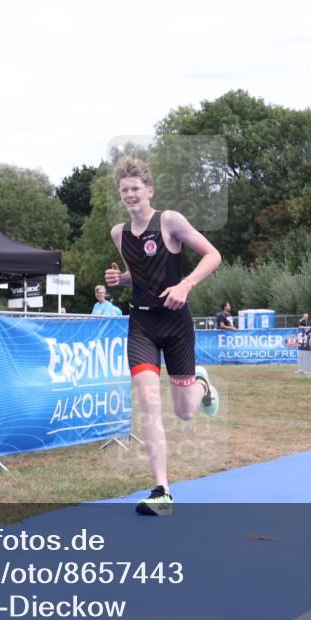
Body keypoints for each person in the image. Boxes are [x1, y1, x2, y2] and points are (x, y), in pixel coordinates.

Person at [104, 156, 222, 516]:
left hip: (175, 325)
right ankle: (162, 490)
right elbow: (137, 274)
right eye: (124, 190)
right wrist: (120, 280)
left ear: (149, 190)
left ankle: (202, 385)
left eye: (136, 188)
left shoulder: (169, 221)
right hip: (141, 325)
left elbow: (213, 255)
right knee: (149, 401)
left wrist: (185, 284)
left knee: (185, 412)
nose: (130, 194)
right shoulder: (118, 233)